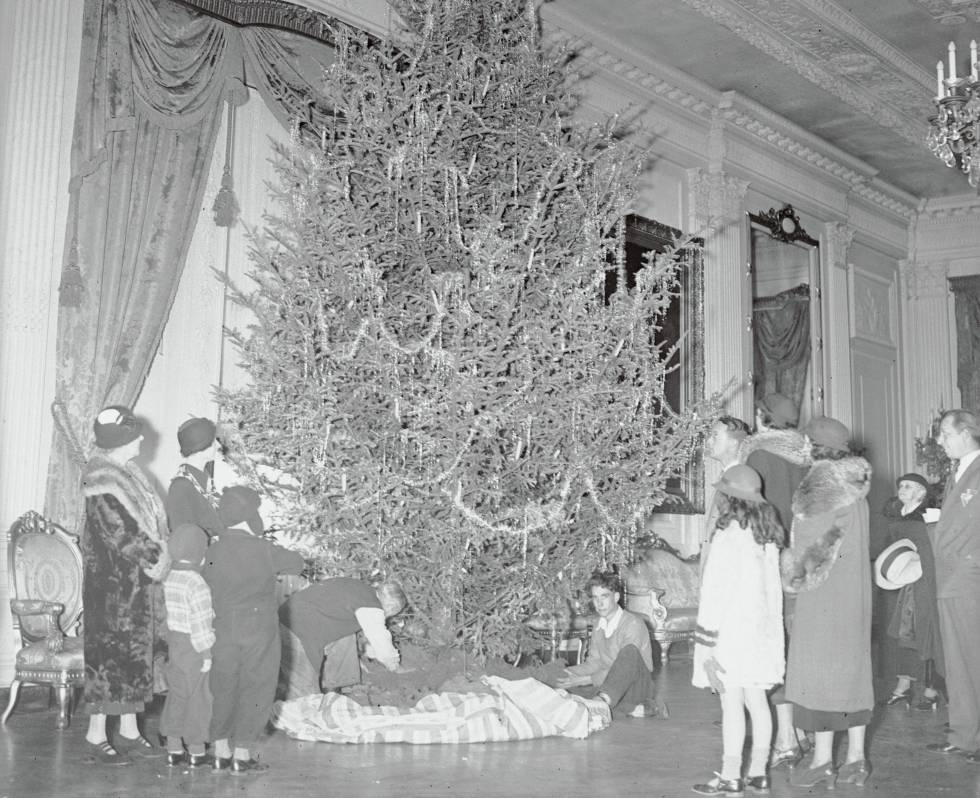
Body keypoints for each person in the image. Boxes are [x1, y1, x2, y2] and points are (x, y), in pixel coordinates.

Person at [782, 416, 874, 788]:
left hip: (826, 597)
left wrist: (790, 575)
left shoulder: (820, 484)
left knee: (821, 675)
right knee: (852, 672)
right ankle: (856, 759)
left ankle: (822, 761)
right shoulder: (857, 484)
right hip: (855, 593)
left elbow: (811, 554)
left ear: (814, 447)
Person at [80, 405, 169, 765]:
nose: (143, 439)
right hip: (112, 589)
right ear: (121, 442)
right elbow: (121, 534)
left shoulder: (127, 473)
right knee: (109, 661)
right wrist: (160, 557)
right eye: (136, 435)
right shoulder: (102, 480)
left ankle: (130, 730)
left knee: (133, 659)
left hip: (134, 587)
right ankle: (95, 734)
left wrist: (160, 553)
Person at [691, 465, 785, 797]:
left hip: (730, 633)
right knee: (757, 700)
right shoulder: (767, 537)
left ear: (730, 499)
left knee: (730, 703)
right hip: (760, 632)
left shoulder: (728, 536)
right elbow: (775, 595)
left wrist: (707, 643)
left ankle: (731, 776)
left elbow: (715, 594)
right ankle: (759, 773)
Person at [204, 485, 305, 773]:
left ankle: (220, 750)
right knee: (257, 687)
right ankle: (242, 754)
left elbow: (206, 578)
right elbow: (297, 563)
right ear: (251, 515)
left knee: (223, 685)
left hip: (223, 626)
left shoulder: (214, 549)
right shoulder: (264, 549)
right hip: (259, 629)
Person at [738, 392, 811, 767]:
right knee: (797, 647)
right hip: (803, 564)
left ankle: (786, 739)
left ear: (762, 417)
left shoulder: (759, 455)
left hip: (768, 560)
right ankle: (799, 729)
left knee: (773, 649)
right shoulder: (806, 455)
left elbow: (752, 513)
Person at [925, 409, 980, 760]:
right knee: (959, 660)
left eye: (945, 434)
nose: (940, 441)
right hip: (951, 575)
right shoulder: (957, 472)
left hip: (969, 575)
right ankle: (964, 735)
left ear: (967, 433)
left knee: (972, 657)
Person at [556, 571, 667, 719]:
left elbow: (627, 666)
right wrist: (568, 673)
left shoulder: (633, 623)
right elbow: (593, 663)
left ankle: (603, 704)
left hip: (636, 685)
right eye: (595, 598)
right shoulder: (598, 625)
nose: (599, 603)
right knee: (563, 691)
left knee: (630, 651)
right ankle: (631, 708)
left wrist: (584, 680)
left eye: (604, 596)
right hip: (610, 687)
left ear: (616, 597)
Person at [278, 577, 409, 700]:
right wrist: (395, 666)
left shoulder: (361, 589)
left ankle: (332, 690)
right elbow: (381, 642)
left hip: (295, 616)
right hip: (294, 628)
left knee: (346, 639)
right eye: (393, 613)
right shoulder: (371, 608)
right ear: (392, 606)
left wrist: (371, 651)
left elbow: (367, 641)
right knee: (306, 700)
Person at [878, 473, 945, 710]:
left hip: (924, 581)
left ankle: (931, 689)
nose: (903, 489)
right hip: (898, 582)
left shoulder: (931, 515)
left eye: (909, 486)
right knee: (900, 634)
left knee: (925, 631)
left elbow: (934, 550)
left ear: (922, 492)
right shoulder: (894, 513)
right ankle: (903, 687)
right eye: (901, 486)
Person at [160, 523, 215, 768]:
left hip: (175, 644)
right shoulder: (197, 583)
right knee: (199, 699)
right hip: (194, 648)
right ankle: (196, 750)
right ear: (199, 554)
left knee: (177, 696)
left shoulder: (169, 578)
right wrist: (207, 653)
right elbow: (201, 623)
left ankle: (173, 747)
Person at [166, 417, 222, 539]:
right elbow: (182, 540)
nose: (218, 445)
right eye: (213, 442)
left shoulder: (203, 479)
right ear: (201, 447)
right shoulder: (180, 487)